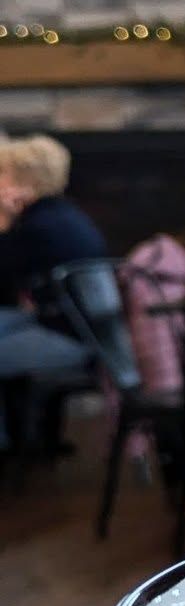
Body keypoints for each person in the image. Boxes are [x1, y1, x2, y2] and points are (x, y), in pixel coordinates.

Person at [0, 136, 104, 453]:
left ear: (23, 183)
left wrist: (2, 220)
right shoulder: (59, 215)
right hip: (68, 322)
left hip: (73, 338)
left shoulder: (39, 227)